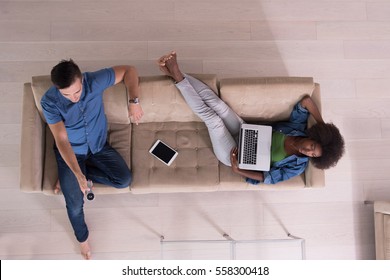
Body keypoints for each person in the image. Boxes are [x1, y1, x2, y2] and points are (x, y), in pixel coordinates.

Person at [157, 51, 344, 185]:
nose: (307, 152)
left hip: (234, 153)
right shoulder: (298, 127)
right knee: (219, 106)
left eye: (312, 155)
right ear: (314, 137)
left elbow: (268, 178)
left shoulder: (297, 166)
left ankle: (177, 73)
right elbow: (306, 101)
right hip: (246, 131)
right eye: (312, 147)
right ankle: (175, 74)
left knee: (212, 119)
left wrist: (238, 169)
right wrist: (322, 125)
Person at [40, 59, 144, 259]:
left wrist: (134, 101)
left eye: (77, 92)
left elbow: (130, 69)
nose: (73, 98)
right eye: (66, 94)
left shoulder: (94, 81)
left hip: (98, 146)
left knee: (123, 180)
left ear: (82, 80)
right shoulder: (49, 101)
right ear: (57, 89)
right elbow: (61, 140)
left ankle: (70, 176)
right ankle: (83, 240)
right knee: (75, 203)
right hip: (71, 150)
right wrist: (77, 174)